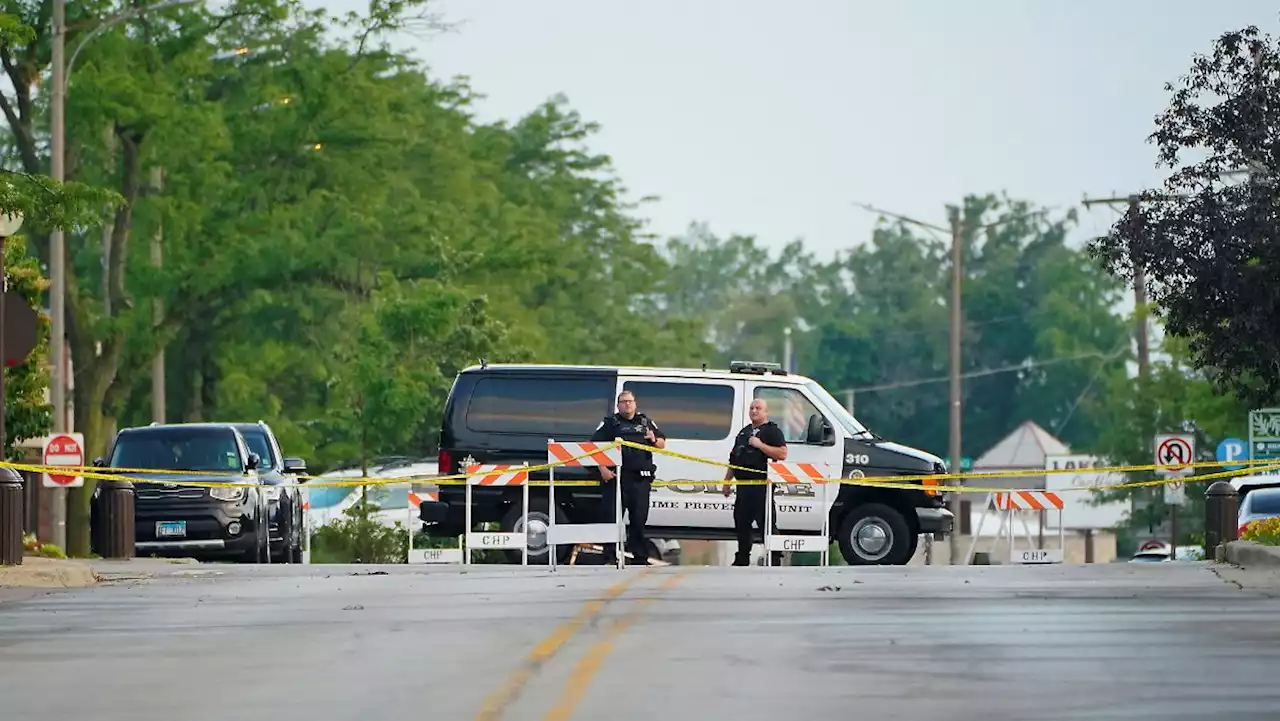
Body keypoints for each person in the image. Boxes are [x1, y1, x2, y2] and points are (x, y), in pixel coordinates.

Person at [591, 389, 669, 566]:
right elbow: (594, 447)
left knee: (639, 519)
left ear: (635, 403)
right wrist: (602, 469)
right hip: (617, 479)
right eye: (623, 401)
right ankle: (609, 557)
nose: (627, 404)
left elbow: (662, 444)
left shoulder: (645, 422)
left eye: (630, 401)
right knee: (611, 518)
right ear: (618, 405)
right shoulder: (611, 424)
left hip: (640, 480)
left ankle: (639, 557)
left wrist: (653, 439)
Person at [722, 397, 788, 566]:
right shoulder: (744, 433)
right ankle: (742, 557)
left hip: (762, 486)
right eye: (752, 408)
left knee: (766, 523)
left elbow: (782, 453)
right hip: (744, 486)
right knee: (741, 521)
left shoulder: (772, 431)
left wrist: (760, 445)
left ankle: (774, 557)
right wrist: (727, 481)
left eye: (758, 408)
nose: (754, 411)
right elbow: (733, 458)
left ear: (766, 412)